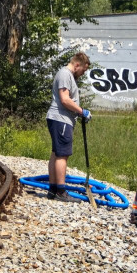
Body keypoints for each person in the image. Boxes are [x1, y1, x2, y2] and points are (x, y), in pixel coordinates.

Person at [45, 52, 91, 202]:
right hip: (61, 119)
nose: (83, 73)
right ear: (77, 65)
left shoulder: (67, 75)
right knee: (62, 155)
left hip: (59, 119)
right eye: (83, 70)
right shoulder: (65, 74)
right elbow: (65, 99)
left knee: (56, 153)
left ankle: (52, 190)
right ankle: (61, 191)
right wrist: (81, 111)